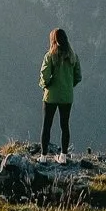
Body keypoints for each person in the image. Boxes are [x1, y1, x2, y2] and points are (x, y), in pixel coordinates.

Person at [38, 27, 83, 157]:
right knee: (65, 126)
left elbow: (44, 76)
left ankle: (43, 156)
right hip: (66, 96)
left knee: (47, 126)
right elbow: (78, 76)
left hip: (51, 96)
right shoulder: (73, 57)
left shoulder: (50, 56)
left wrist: (45, 85)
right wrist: (69, 85)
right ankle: (63, 155)